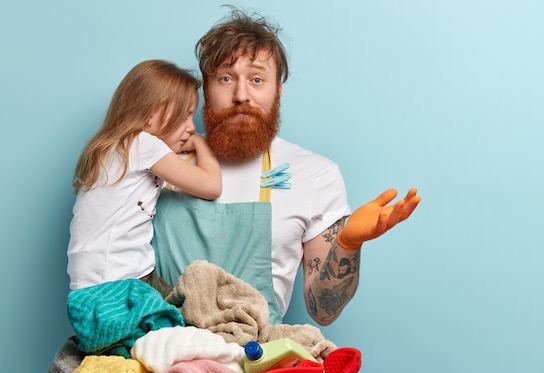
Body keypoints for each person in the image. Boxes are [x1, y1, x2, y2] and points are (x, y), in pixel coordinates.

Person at [151, 7, 420, 326]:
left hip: (259, 364)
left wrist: (347, 244)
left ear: (277, 90)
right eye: (226, 78)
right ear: (205, 90)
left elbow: (324, 310)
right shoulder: (157, 160)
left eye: (257, 79)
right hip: (158, 356)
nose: (241, 95)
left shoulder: (316, 175)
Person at [67, 59, 222, 294]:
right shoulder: (142, 144)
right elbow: (211, 186)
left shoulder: (118, 148)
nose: (191, 127)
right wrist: (202, 143)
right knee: (191, 314)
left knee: (185, 310)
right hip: (118, 281)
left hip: (94, 281)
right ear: (151, 114)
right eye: (184, 116)